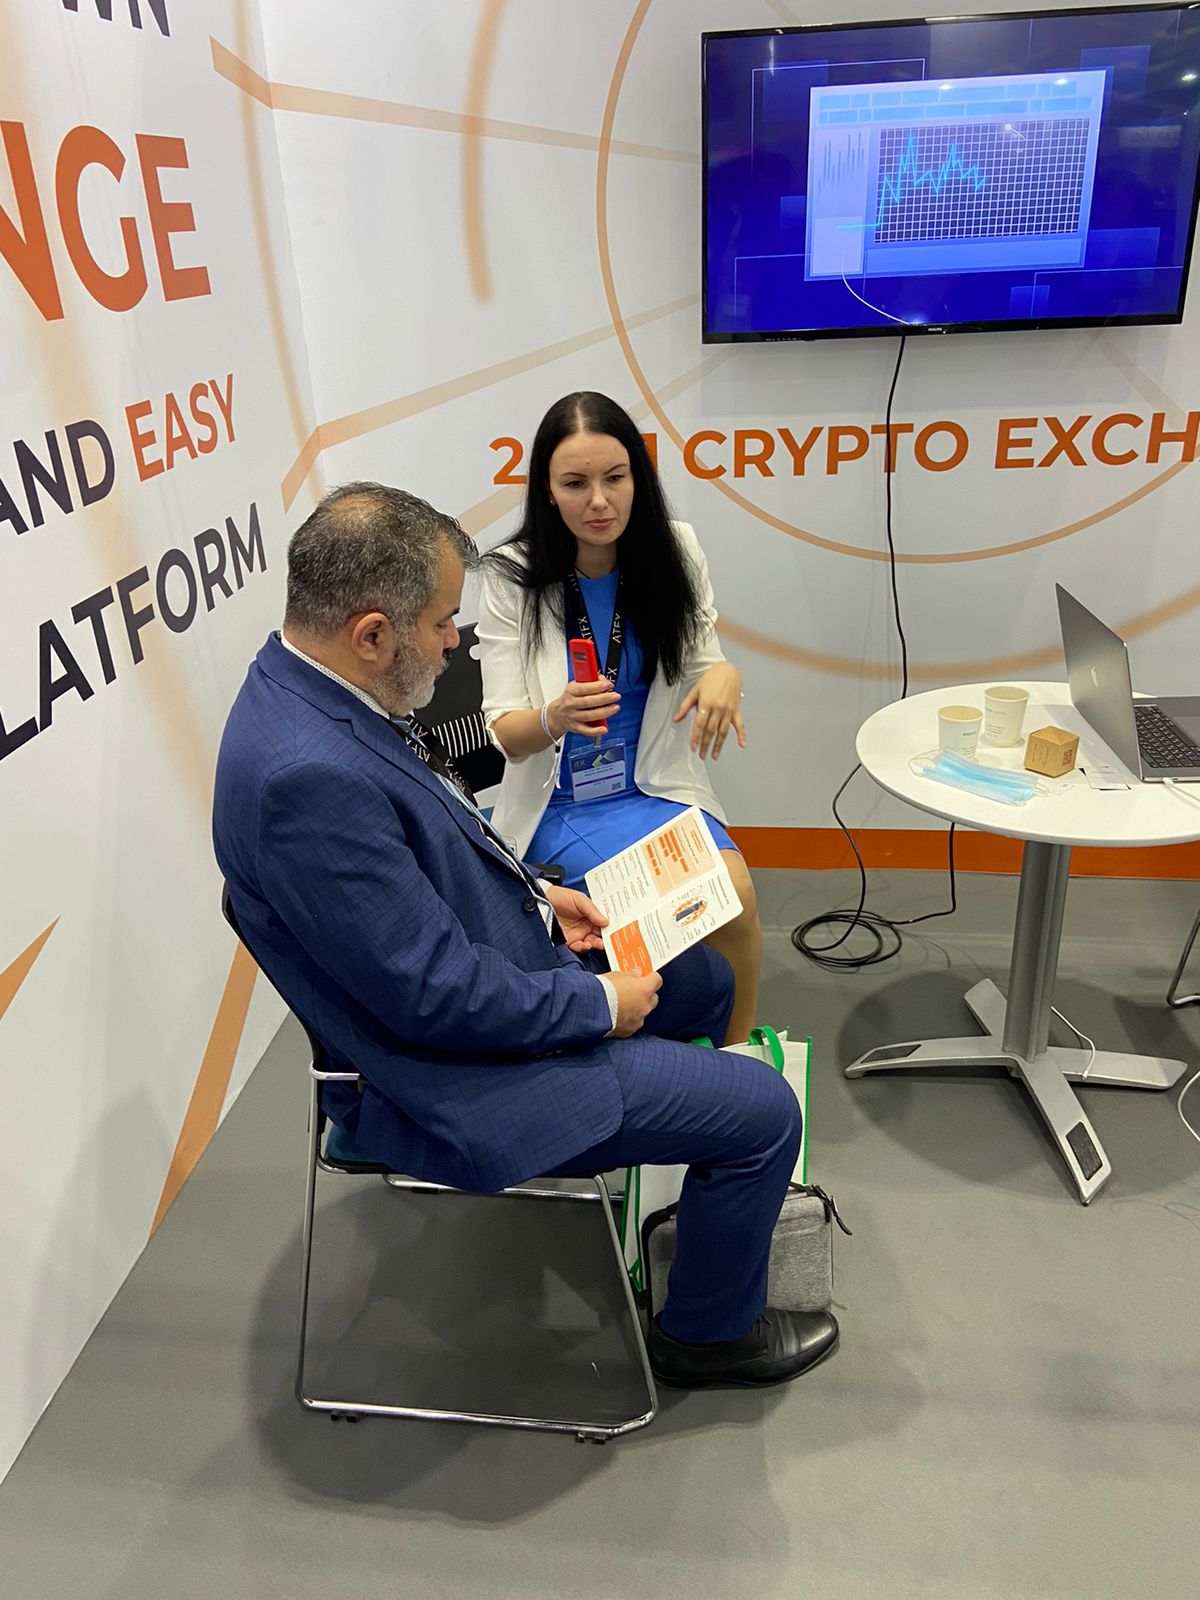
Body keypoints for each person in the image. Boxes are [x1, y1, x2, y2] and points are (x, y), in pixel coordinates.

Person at [212, 482, 837, 1390]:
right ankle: (705, 1338)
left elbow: (421, 857)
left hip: (494, 974)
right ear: (372, 633)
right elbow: (432, 997)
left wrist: (542, 900)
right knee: (765, 1115)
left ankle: (678, 1178)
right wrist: (597, 1005)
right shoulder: (307, 780)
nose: (454, 641)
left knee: (703, 982)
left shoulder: (309, 687)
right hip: (454, 1074)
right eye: (442, 623)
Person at [477, 391, 761, 1045]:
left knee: (734, 893)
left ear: (638, 477)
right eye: (576, 483)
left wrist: (727, 675)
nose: (599, 501)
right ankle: (659, 1043)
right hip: (560, 803)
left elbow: (706, 661)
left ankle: (737, 1052)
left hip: (653, 786)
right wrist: (554, 716)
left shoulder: (674, 549)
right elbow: (506, 735)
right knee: (692, 903)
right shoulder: (510, 575)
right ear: (548, 491)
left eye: (615, 478)